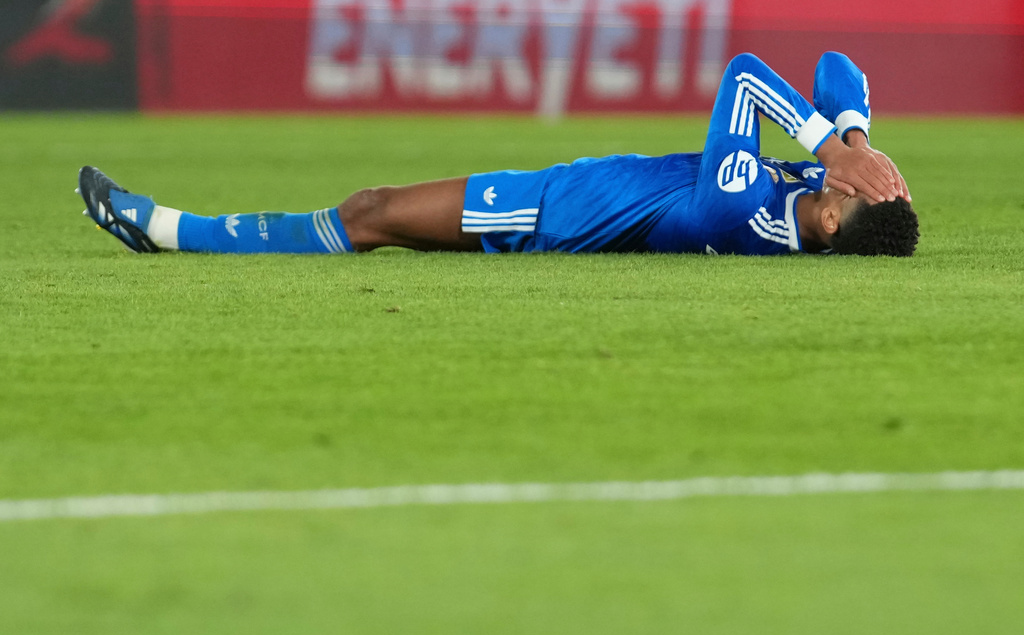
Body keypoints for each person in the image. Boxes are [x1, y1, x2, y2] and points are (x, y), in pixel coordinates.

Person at [77, 52, 918, 258]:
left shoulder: (740, 209)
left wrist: (830, 142)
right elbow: (837, 66)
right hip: (569, 191)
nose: (847, 176)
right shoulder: (823, 202)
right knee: (373, 212)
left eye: (853, 185)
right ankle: (170, 230)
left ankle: (165, 230)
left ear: (834, 217)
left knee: (371, 213)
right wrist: (858, 141)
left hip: (550, 213)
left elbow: (744, 76)